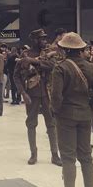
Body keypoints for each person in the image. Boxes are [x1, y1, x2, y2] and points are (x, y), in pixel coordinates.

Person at [51, 32, 93, 187]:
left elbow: (56, 96)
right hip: (85, 115)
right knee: (86, 157)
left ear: (65, 49)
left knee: (68, 157)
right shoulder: (91, 68)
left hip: (66, 116)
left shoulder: (60, 68)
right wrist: (90, 107)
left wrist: (56, 111)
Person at [14, 29, 62, 166]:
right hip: (32, 94)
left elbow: (52, 66)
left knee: (51, 124)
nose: (45, 41)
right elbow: (16, 76)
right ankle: (33, 154)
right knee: (31, 123)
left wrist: (33, 61)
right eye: (42, 39)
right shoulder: (25, 55)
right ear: (35, 40)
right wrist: (23, 93)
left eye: (45, 38)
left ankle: (55, 154)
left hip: (47, 93)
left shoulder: (47, 54)